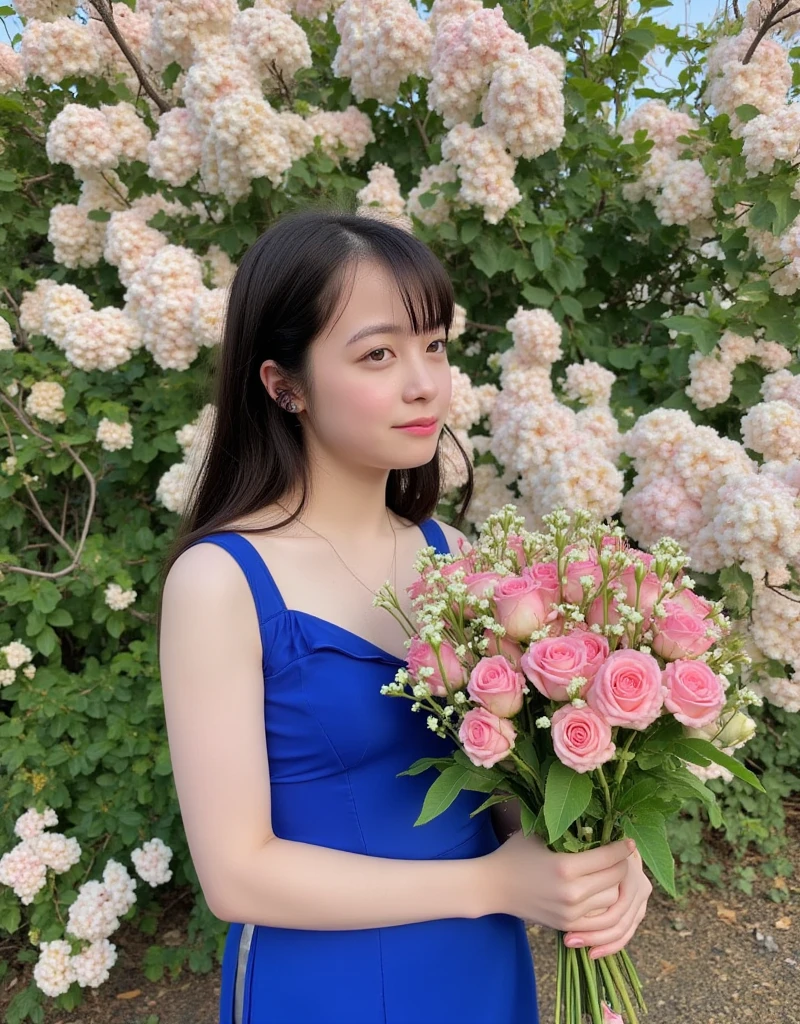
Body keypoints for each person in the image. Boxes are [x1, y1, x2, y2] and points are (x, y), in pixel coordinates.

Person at [156, 207, 651, 1024]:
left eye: (435, 345)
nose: (424, 382)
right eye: (379, 353)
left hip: (478, 962)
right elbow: (235, 874)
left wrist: (595, 856)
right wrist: (493, 882)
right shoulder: (221, 581)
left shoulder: (450, 552)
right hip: (326, 979)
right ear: (284, 384)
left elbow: (505, 786)